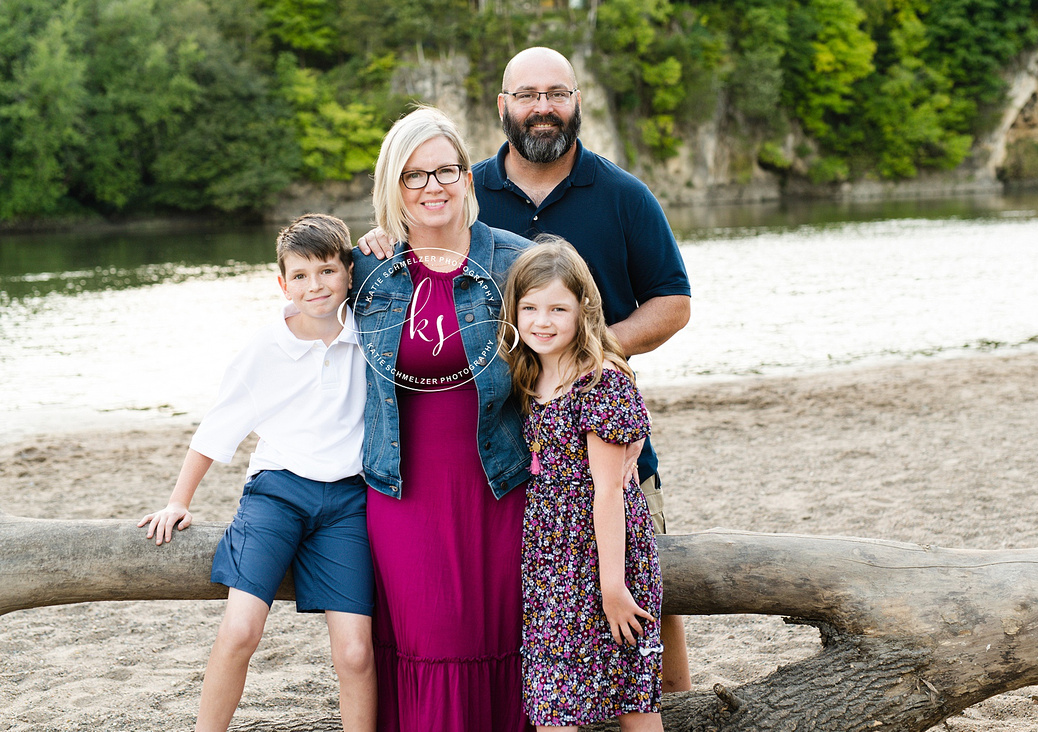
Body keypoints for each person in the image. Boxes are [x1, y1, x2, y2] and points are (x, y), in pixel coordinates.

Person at [360, 46, 693, 693]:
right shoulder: (467, 188)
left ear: (577, 102)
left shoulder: (624, 196)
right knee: (542, 621)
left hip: (606, 431)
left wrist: (582, 358)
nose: (543, 107)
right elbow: (417, 241)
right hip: (525, 447)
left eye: (557, 93)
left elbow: (674, 303)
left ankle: (680, 710)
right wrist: (379, 237)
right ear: (503, 106)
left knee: (656, 593)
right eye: (527, 95)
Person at [138, 214, 377, 732]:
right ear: (282, 283)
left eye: (327, 271)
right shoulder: (265, 348)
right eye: (300, 275)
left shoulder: (371, 336)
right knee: (242, 629)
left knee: (357, 651)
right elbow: (217, 427)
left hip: (347, 505)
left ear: (350, 273)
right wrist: (180, 499)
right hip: (277, 495)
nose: (315, 286)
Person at [348, 105, 534, 730]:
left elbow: (570, 362)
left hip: (499, 484)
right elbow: (300, 343)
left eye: (445, 170)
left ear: (466, 177)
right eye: (414, 175)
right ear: (393, 188)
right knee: (434, 638)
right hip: (401, 489)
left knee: (500, 637)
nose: (433, 186)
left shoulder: (516, 263)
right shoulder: (366, 268)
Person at [501, 238, 663, 730]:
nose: (541, 321)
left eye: (557, 308)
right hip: (553, 554)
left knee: (632, 693)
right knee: (554, 697)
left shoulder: (599, 380)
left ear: (583, 310)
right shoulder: (529, 372)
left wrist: (612, 586)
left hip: (608, 551)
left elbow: (609, 491)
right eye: (529, 308)